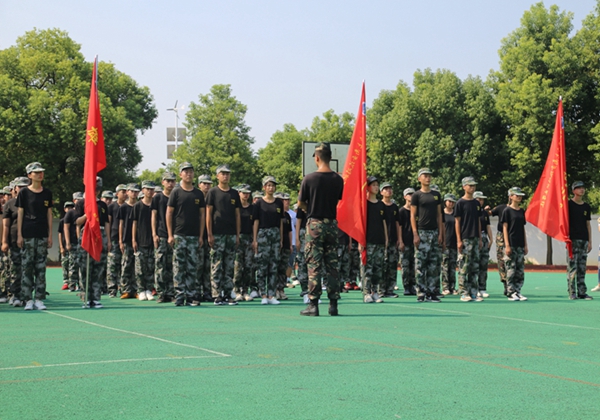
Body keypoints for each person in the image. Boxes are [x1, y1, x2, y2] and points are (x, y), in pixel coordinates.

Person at [298, 142, 343, 316]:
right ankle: (333, 305)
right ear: (331, 157)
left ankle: (313, 305)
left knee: (314, 265)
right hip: (332, 224)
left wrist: (308, 209)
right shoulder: (338, 180)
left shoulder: (308, 179)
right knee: (332, 265)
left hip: (314, 224)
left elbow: (301, 202)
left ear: (316, 158)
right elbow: (338, 200)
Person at [167, 162, 205, 306]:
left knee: (192, 266)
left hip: (194, 235)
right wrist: (170, 234)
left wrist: (201, 236)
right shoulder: (176, 192)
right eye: (185, 171)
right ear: (180, 174)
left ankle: (190, 295)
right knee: (178, 265)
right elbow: (169, 213)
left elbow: (202, 216)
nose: (188, 174)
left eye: (191, 171)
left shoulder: (198, 193)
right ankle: (179, 295)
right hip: (179, 234)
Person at [16, 162, 53, 311]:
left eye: (41, 172)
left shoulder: (47, 193)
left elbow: (49, 214)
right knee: (27, 266)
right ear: (29, 175)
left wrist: (50, 235)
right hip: (28, 232)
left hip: (42, 232)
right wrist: (19, 234)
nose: (40, 174)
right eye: (36, 172)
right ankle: (27, 299)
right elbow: (20, 213)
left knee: (41, 267)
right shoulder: (24, 193)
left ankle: (39, 298)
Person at [206, 164, 240, 306]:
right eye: (223, 173)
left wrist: (237, 235)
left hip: (231, 234)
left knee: (229, 265)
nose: (225, 176)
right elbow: (208, 213)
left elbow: (237, 215)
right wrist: (209, 233)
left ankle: (227, 294)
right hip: (217, 233)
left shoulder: (234, 193)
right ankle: (216, 294)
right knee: (216, 264)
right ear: (217, 176)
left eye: (227, 173)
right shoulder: (213, 192)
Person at [74, 176, 111, 308]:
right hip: (86, 235)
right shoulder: (81, 203)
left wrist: (108, 240)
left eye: (98, 189)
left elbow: (106, 223)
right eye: (94, 188)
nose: (96, 191)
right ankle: (86, 297)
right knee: (85, 268)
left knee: (98, 268)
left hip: (100, 236)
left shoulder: (102, 205)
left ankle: (96, 297)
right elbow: (77, 222)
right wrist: (87, 214)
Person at [411, 168, 443, 303]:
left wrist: (441, 233)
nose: (428, 178)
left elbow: (439, 215)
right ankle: (421, 292)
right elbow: (412, 215)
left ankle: (431, 292)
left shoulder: (436, 195)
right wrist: (415, 234)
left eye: (429, 176)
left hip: (434, 233)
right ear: (419, 179)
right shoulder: (416, 195)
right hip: (422, 232)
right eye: (425, 176)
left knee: (433, 265)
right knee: (420, 264)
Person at [252, 176, 283, 305]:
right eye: (268, 185)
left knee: (274, 265)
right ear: (264, 187)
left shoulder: (279, 203)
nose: (271, 188)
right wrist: (255, 239)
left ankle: (271, 294)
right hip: (263, 234)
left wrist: (281, 238)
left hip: (275, 234)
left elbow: (281, 222)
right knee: (262, 266)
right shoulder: (259, 203)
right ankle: (263, 294)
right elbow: (256, 221)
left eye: (272, 185)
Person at [2, 177, 29, 307]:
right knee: (15, 269)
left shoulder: (33, 201)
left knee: (29, 269)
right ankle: (15, 294)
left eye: (25, 186)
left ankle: (27, 295)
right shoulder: (10, 204)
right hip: (13, 241)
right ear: (15, 189)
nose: (22, 189)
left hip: (30, 239)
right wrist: (4, 242)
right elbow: (6, 225)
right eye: (20, 187)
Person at [455, 177, 482, 302]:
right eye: (470, 185)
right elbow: (457, 222)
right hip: (465, 238)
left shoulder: (476, 203)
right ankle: (463, 292)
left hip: (475, 238)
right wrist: (459, 240)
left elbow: (478, 221)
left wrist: (480, 237)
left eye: (473, 185)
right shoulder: (460, 203)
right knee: (464, 266)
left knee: (474, 267)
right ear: (464, 187)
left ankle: (473, 292)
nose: (472, 187)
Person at [361, 176, 387, 303]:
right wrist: (361, 241)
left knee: (378, 268)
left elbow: (384, 223)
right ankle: (366, 292)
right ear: (368, 187)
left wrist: (386, 238)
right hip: (368, 240)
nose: (376, 187)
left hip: (380, 240)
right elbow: (360, 223)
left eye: (377, 185)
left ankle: (375, 291)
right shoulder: (364, 204)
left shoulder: (381, 204)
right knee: (368, 268)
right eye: (373, 185)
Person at [151, 172, 176, 303]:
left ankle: (171, 292)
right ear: (163, 182)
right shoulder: (158, 198)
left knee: (172, 265)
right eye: (168, 181)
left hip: (174, 235)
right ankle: (161, 292)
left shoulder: (177, 195)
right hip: (161, 234)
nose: (170, 183)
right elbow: (154, 216)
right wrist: (154, 234)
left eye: (172, 181)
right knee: (160, 265)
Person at [567, 181, 593, 300]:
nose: (581, 190)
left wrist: (590, 241)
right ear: (573, 191)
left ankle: (582, 292)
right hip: (572, 240)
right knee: (573, 267)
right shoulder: (568, 205)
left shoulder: (586, 206)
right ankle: (572, 292)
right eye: (578, 188)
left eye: (583, 188)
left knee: (582, 267)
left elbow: (588, 224)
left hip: (583, 240)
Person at [501, 187, 528, 301]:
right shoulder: (507, 211)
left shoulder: (521, 211)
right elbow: (505, 228)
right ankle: (511, 292)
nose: (519, 197)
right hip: (511, 243)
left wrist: (525, 244)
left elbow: (523, 228)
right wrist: (507, 245)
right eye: (517, 195)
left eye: (520, 195)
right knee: (511, 269)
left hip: (520, 244)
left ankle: (518, 290)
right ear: (511, 196)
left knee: (520, 270)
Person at [132, 180, 156, 301]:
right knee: (140, 268)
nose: (150, 191)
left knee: (151, 267)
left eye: (152, 189)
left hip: (153, 240)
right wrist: (133, 239)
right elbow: (134, 223)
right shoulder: (137, 206)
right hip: (140, 240)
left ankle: (149, 289)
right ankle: (140, 290)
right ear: (143, 190)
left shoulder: (155, 204)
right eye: (147, 189)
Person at [233, 184, 254, 301]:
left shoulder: (252, 208)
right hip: (238, 238)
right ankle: (236, 290)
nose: (245, 195)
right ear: (239, 193)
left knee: (248, 266)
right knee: (237, 266)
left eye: (247, 193)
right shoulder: (235, 208)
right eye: (243, 192)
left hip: (249, 238)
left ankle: (245, 290)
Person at [118, 183, 139, 299]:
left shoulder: (139, 205)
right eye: (132, 191)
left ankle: (135, 289)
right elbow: (121, 224)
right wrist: (120, 241)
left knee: (137, 266)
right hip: (126, 239)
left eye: (136, 191)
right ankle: (125, 289)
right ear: (127, 192)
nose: (134, 193)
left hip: (138, 239)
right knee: (126, 265)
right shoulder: (123, 207)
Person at [380, 182, 400, 298]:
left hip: (393, 240)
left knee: (393, 265)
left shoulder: (394, 207)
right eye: (386, 189)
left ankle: (390, 289)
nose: (389, 191)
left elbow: (398, 223)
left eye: (390, 189)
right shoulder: (379, 205)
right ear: (381, 192)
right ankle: (381, 289)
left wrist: (399, 238)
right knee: (383, 265)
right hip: (382, 240)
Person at [107, 184, 127, 297]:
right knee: (112, 265)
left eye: (125, 192)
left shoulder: (129, 206)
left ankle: (123, 288)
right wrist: (108, 240)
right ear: (117, 194)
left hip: (125, 239)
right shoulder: (111, 207)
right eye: (122, 192)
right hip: (114, 238)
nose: (124, 194)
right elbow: (108, 224)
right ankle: (112, 289)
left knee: (124, 265)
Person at [197, 174, 213, 302]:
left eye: (208, 183)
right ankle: (196, 291)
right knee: (197, 265)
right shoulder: (195, 196)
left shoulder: (213, 196)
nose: (206, 186)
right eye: (204, 183)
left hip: (211, 236)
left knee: (209, 265)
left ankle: (208, 291)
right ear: (199, 184)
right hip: (197, 236)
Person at [474, 191, 492, 298]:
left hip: (484, 238)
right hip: (475, 238)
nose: (480, 201)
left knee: (483, 264)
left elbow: (488, 226)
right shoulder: (473, 211)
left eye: (482, 199)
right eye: (479, 199)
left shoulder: (484, 213)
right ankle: (474, 287)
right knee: (474, 264)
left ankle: (482, 288)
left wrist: (491, 239)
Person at [398, 188, 416, 295]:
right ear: (405, 197)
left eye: (412, 194)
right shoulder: (401, 211)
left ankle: (413, 285)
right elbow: (399, 227)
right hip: (405, 240)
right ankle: (406, 286)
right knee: (405, 266)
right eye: (409, 194)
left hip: (414, 242)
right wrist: (400, 241)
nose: (411, 196)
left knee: (414, 266)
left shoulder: (416, 210)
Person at [491, 197, 510, 295]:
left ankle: (513, 285)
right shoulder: (500, 208)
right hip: (501, 236)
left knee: (512, 261)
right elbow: (490, 213)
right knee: (501, 260)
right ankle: (506, 284)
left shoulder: (517, 210)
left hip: (513, 235)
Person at [275, 192, 292, 301]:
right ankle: (275, 290)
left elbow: (290, 231)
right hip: (275, 243)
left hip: (285, 243)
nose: (283, 202)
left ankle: (281, 289)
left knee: (283, 268)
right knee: (275, 268)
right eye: (281, 200)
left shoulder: (287, 215)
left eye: (284, 200)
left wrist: (290, 244)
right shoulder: (273, 212)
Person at [441, 193, 458, 295]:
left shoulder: (455, 214)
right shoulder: (441, 214)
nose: (451, 203)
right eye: (449, 201)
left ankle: (452, 287)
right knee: (445, 266)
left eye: (452, 202)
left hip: (454, 243)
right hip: (445, 243)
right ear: (445, 202)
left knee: (452, 267)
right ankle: (445, 287)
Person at [58, 201, 75, 291]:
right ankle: (66, 281)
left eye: (71, 207)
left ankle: (73, 282)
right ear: (64, 209)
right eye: (67, 208)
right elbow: (60, 234)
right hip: (65, 245)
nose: (69, 209)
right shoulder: (62, 221)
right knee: (65, 264)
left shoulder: (76, 219)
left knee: (74, 264)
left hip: (74, 245)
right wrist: (61, 246)